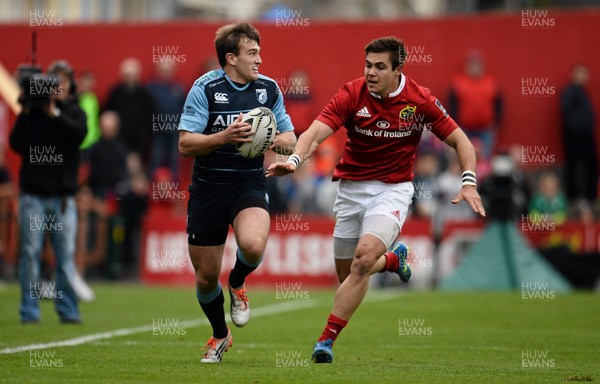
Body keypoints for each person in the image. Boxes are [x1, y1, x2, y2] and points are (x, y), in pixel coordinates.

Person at [266, 36, 486, 363]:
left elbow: (461, 141)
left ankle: (325, 341)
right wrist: (295, 161)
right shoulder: (351, 94)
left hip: (392, 190)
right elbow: (313, 133)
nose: (371, 72)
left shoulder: (420, 100)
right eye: (368, 65)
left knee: (362, 259)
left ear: (398, 69)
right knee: (348, 273)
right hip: (350, 190)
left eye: (380, 66)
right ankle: (393, 261)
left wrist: (469, 181)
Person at [177, 23, 296, 363]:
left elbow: (290, 138)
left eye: (259, 52)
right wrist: (223, 138)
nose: (260, 59)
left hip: (248, 183)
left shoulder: (269, 90)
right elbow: (185, 144)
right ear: (231, 58)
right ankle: (219, 334)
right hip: (208, 188)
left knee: (254, 245)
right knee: (204, 278)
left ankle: (238, 282)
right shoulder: (205, 88)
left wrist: (272, 139)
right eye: (252, 53)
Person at [9, 60, 87, 323]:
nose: (59, 87)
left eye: (63, 82)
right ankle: (29, 311)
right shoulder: (34, 112)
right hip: (33, 195)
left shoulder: (74, 112)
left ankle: (68, 310)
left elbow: (78, 135)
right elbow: (16, 143)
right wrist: (27, 109)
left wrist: (54, 112)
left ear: (71, 86)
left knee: (65, 257)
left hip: (63, 198)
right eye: (54, 81)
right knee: (30, 253)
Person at [448, 52, 502, 160]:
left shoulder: (491, 82)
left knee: (485, 157)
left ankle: (484, 176)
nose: (475, 67)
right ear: (467, 65)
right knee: (463, 155)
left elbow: (499, 104)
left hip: (485, 129)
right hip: (464, 128)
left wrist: (496, 122)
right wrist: (455, 123)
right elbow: (452, 103)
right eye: (472, 65)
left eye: (477, 65)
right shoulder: (458, 82)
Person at [560, 64, 597, 204]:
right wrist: (579, 129)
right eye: (580, 73)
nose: (584, 77)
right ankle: (574, 197)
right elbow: (567, 114)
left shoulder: (582, 92)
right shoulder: (569, 92)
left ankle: (590, 196)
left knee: (590, 166)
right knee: (574, 166)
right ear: (573, 75)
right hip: (576, 136)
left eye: (585, 73)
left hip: (585, 134)